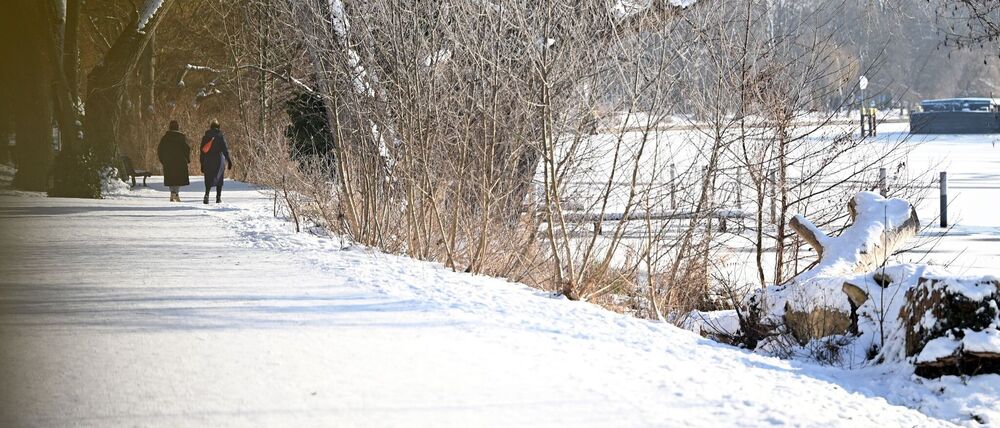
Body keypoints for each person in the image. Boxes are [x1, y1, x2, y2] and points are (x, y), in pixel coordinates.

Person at [199, 118, 233, 204]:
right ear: (218, 126)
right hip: (219, 160)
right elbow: (225, 149)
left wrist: (202, 163)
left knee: (208, 178)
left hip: (207, 160)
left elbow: (202, 151)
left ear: (211, 127)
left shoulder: (205, 137)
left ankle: (206, 195)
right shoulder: (220, 136)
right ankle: (218, 198)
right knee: (219, 178)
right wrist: (229, 160)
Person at [157, 120, 191, 202]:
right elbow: (187, 149)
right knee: (178, 178)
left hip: (168, 161)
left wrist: (163, 160)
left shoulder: (165, 138)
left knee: (171, 178)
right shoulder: (182, 137)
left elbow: (160, 150)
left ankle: (173, 193)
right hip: (180, 161)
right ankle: (176, 194)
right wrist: (187, 159)